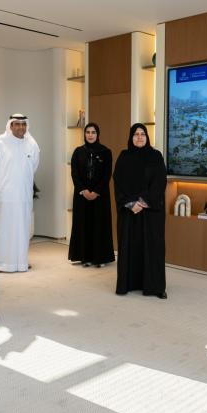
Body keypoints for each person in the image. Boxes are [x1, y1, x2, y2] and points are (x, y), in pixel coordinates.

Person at [113, 124, 167, 299]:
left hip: (150, 212)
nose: (139, 137)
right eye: (135, 134)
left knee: (153, 247)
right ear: (131, 137)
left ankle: (155, 286)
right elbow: (118, 183)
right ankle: (128, 284)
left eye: (142, 134)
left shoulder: (156, 156)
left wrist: (142, 202)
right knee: (129, 246)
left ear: (147, 136)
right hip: (129, 212)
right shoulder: (123, 156)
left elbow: (159, 183)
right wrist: (130, 203)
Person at [0, 114, 41, 272]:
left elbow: (34, 167)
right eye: (17, 124)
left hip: (24, 196)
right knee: (2, 229)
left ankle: (21, 262)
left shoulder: (32, 144)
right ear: (10, 125)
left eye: (23, 124)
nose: (20, 127)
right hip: (4, 196)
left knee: (23, 229)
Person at [68, 123, 114, 267]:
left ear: (98, 134)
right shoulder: (78, 152)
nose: (90, 135)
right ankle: (84, 257)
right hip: (82, 196)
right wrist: (84, 191)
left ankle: (100, 258)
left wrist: (95, 192)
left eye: (93, 132)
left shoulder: (106, 152)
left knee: (99, 225)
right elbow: (74, 174)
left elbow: (107, 175)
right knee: (83, 225)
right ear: (85, 134)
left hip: (100, 197)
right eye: (88, 132)